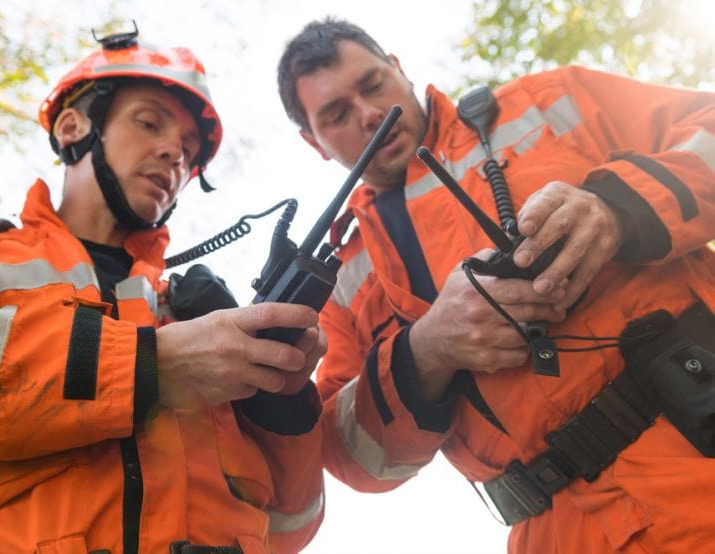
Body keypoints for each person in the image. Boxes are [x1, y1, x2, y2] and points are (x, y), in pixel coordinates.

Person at [277, 17, 715, 553]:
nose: (370, 115)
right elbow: (351, 453)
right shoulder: (340, 278)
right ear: (313, 142)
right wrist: (429, 350)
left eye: (373, 86)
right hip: (561, 535)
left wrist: (620, 206)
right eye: (337, 115)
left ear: (399, 68)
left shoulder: (548, 101)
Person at [0, 27, 326, 554]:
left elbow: (294, 524)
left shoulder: (197, 319)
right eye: (148, 122)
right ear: (74, 127)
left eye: (188, 150)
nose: (174, 154)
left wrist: (284, 406)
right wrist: (150, 366)